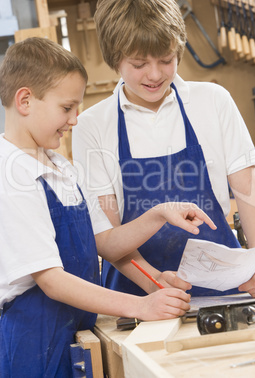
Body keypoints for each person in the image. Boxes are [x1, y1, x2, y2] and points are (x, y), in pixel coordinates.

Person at [0, 37, 218, 377]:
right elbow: (52, 281)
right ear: (25, 100)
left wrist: (156, 253)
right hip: (33, 342)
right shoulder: (11, 174)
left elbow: (105, 241)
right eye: (66, 108)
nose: (74, 120)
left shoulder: (60, 166)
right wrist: (142, 306)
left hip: (74, 334)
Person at [72, 0, 255, 299]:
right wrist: (156, 284)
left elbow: (249, 191)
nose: (154, 74)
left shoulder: (213, 101)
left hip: (227, 287)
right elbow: (107, 236)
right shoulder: (91, 126)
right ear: (115, 59)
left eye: (166, 59)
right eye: (139, 64)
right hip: (141, 295)